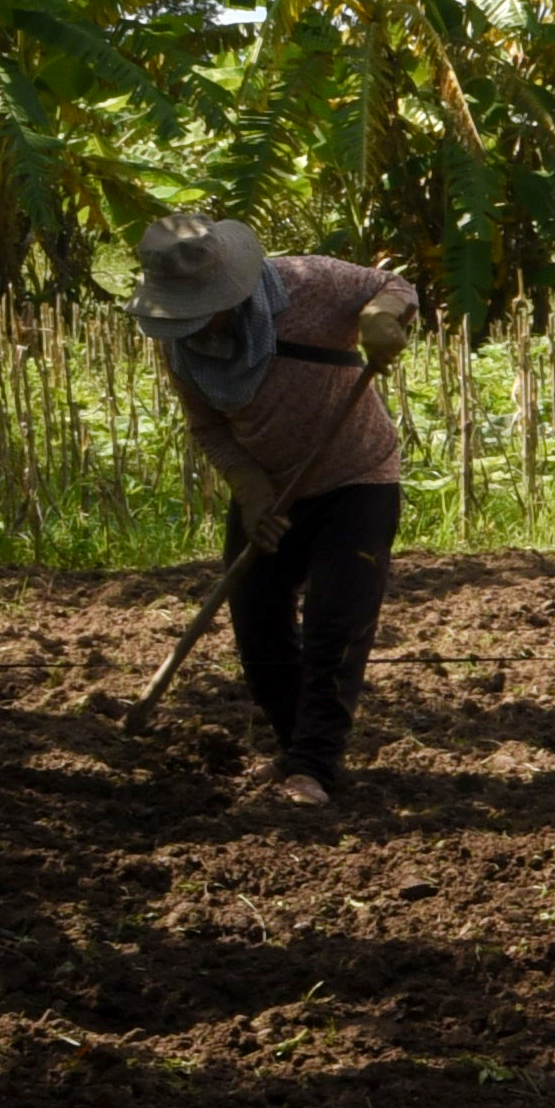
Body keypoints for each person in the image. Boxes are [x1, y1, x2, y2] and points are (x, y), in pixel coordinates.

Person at [128, 212, 416, 812]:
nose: (192, 322)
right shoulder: (184, 348)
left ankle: (315, 763)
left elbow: (394, 286)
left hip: (356, 477)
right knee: (257, 619)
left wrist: (378, 319)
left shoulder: (307, 284)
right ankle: (294, 750)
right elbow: (208, 427)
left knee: (336, 625)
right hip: (270, 488)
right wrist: (251, 489)